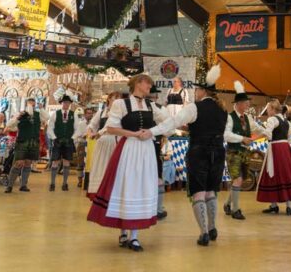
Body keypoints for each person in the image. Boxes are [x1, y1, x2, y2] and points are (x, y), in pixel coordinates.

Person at [87, 74, 168, 252]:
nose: (150, 87)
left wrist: (152, 131)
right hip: (129, 149)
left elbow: (168, 123)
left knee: (141, 188)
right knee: (126, 187)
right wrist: (134, 134)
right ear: (138, 83)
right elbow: (110, 128)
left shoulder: (151, 105)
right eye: (148, 84)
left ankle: (135, 237)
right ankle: (124, 232)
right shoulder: (120, 104)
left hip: (146, 151)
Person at [150, 65, 229, 247]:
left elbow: (172, 121)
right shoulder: (223, 110)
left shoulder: (195, 107)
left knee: (198, 193)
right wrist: (190, 128)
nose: (195, 93)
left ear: (202, 91)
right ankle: (212, 227)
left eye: (197, 89)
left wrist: (152, 131)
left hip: (199, 152)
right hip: (218, 152)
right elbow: (217, 130)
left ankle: (203, 234)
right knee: (211, 192)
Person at [256, 99, 291, 215]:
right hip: (285, 149)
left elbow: (268, 134)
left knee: (273, 175)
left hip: (275, 149)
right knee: (286, 175)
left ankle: (274, 205)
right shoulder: (286, 122)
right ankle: (288, 206)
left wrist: (254, 138)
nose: (267, 111)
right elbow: (289, 139)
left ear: (272, 109)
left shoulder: (272, 119)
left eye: (268, 109)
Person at [223, 81, 258, 221]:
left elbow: (257, 128)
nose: (248, 105)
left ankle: (227, 204)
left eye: (247, 102)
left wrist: (269, 131)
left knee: (239, 180)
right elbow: (225, 135)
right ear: (238, 104)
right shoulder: (230, 117)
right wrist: (242, 138)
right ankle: (235, 210)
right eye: (245, 102)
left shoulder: (248, 117)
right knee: (237, 179)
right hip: (233, 152)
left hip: (244, 153)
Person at [86, 92, 122, 200]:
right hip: (102, 143)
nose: (117, 101)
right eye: (115, 98)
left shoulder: (121, 113)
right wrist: (89, 133)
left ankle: (111, 194)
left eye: (119, 99)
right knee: (99, 167)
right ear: (109, 99)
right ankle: (98, 193)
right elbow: (91, 125)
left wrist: (97, 133)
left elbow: (110, 127)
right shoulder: (101, 112)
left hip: (115, 141)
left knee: (112, 168)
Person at [4, 99, 41, 193]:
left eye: (33, 104)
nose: (32, 106)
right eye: (30, 104)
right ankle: (10, 185)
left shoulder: (38, 115)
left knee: (28, 163)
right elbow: (9, 125)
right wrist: (18, 117)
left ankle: (23, 185)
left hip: (33, 142)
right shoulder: (20, 114)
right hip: (22, 141)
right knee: (18, 163)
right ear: (26, 105)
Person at [147, 84, 171, 220]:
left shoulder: (141, 107)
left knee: (152, 176)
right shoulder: (160, 109)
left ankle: (153, 208)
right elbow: (169, 128)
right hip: (154, 145)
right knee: (157, 176)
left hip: (146, 145)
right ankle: (158, 209)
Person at [47, 95, 78, 192]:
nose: (66, 104)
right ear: (61, 103)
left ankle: (65, 183)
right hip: (57, 141)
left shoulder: (74, 115)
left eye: (68, 103)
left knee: (66, 162)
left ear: (70, 104)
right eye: (64, 102)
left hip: (69, 141)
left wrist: (73, 138)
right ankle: (52, 183)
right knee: (55, 162)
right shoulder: (55, 114)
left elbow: (77, 129)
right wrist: (54, 138)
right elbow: (50, 128)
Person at [74, 106, 94, 190]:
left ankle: (88, 181)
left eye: (91, 113)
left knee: (90, 163)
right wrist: (84, 135)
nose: (90, 115)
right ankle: (80, 181)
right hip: (82, 144)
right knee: (80, 163)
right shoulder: (81, 123)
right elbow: (77, 135)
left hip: (91, 145)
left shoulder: (94, 123)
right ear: (85, 114)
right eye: (88, 113)